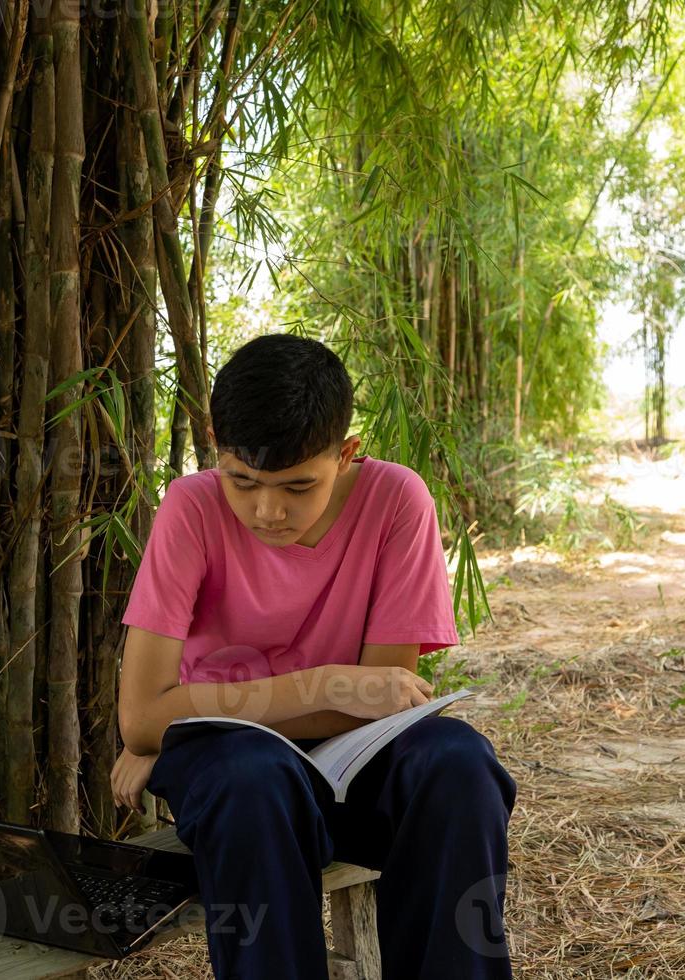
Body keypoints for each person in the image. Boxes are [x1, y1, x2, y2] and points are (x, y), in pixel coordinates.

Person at [110, 333, 518, 979]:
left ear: (347, 452)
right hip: (234, 776)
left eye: (299, 486)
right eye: (243, 481)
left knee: (456, 762)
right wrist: (326, 686)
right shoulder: (190, 507)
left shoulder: (396, 501)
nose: (268, 510)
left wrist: (179, 716)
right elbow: (138, 717)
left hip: (343, 768)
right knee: (254, 775)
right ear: (217, 445)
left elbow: (383, 704)